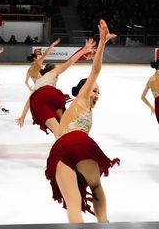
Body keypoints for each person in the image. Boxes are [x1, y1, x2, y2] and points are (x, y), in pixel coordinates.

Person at [45, 20, 119, 223]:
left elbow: (59, 135)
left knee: (73, 204)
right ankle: (104, 224)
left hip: (59, 151)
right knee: (95, 188)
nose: (97, 94)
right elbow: (95, 71)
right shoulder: (82, 98)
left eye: (98, 92)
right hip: (78, 143)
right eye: (95, 90)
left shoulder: (70, 112)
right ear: (84, 90)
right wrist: (102, 43)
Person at [17, 39, 93, 138]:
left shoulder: (37, 81)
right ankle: (69, 142)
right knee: (62, 125)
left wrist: (22, 117)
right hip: (52, 95)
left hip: (38, 99)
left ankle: (63, 141)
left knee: (57, 129)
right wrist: (83, 51)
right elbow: (69, 62)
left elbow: (30, 100)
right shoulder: (53, 72)